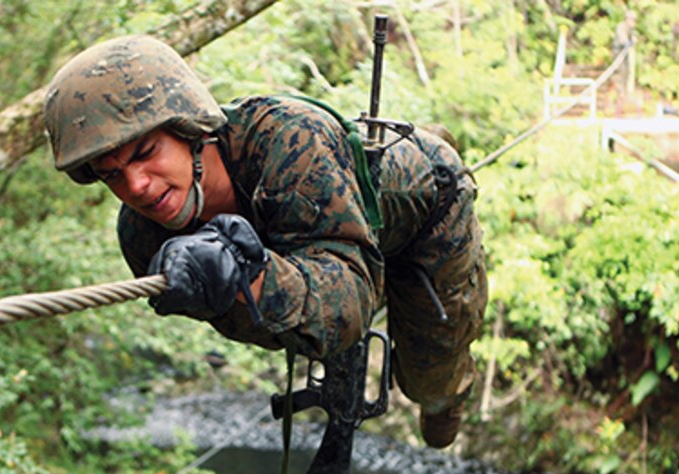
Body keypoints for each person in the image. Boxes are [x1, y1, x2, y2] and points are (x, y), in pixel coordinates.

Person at [42, 35, 488, 449]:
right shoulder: (145, 237)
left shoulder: (289, 142)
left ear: (191, 130)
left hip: (428, 209)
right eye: (110, 174)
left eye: (145, 153)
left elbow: (350, 306)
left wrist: (252, 275)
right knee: (319, 327)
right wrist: (246, 284)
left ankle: (447, 397)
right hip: (325, 243)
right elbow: (261, 327)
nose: (136, 186)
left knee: (430, 383)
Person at [610, 10, 637, 116]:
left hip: (625, 53)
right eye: (632, 19)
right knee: (620, 72)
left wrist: (633, 40)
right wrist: (628, 42)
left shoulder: (631, 29)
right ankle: (620, 94)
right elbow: (622, 40)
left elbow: (631, 38)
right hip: (618, 53)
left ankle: (624, 94)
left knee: (627, 72)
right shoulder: (621, 27)